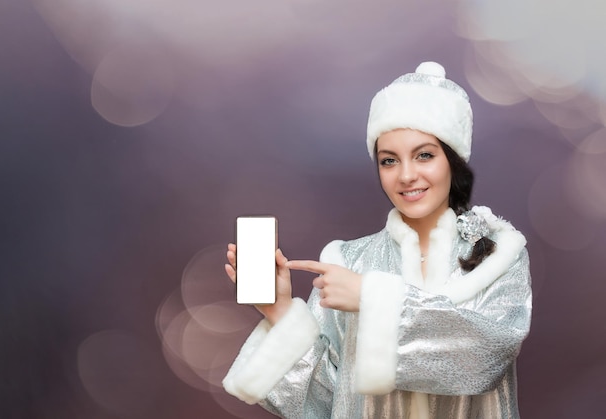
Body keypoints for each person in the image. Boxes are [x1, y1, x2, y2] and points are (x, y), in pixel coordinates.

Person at [222, 61, 532, 419]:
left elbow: (485, 358)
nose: (406, 175)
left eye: (424, 155)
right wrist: (279, 310)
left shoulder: (498, 255)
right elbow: (326, 404)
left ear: (453, 159)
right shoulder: (347, 262)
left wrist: (373, 299)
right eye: (388, 161)